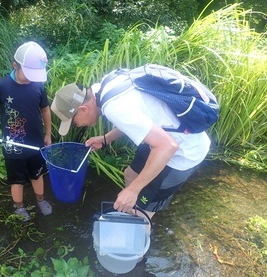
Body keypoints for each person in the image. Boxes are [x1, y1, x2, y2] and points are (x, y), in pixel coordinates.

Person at [50, 71, 211, 222]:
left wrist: (132, 191)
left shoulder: (114, 108)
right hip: (158, 137)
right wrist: (106, 138)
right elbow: (134, 117)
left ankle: (139, 224)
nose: (76, 126)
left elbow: (168, 146)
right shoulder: (105, 86)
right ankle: (131, 214)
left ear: (83, 109)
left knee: (142, 215)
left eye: (73, 122)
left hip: (182, 152)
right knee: (130, 175)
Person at [0, 41, 52, 221]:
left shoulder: (38, 85)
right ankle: (19, 206)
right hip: (13, 145)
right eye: (27, 73)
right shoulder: (2, 86)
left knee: (37, 173)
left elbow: (45, 109)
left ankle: (40, 200)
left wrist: (48, 133)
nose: (30, 78)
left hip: (35, 143)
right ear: (15, 66)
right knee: (16, 178)